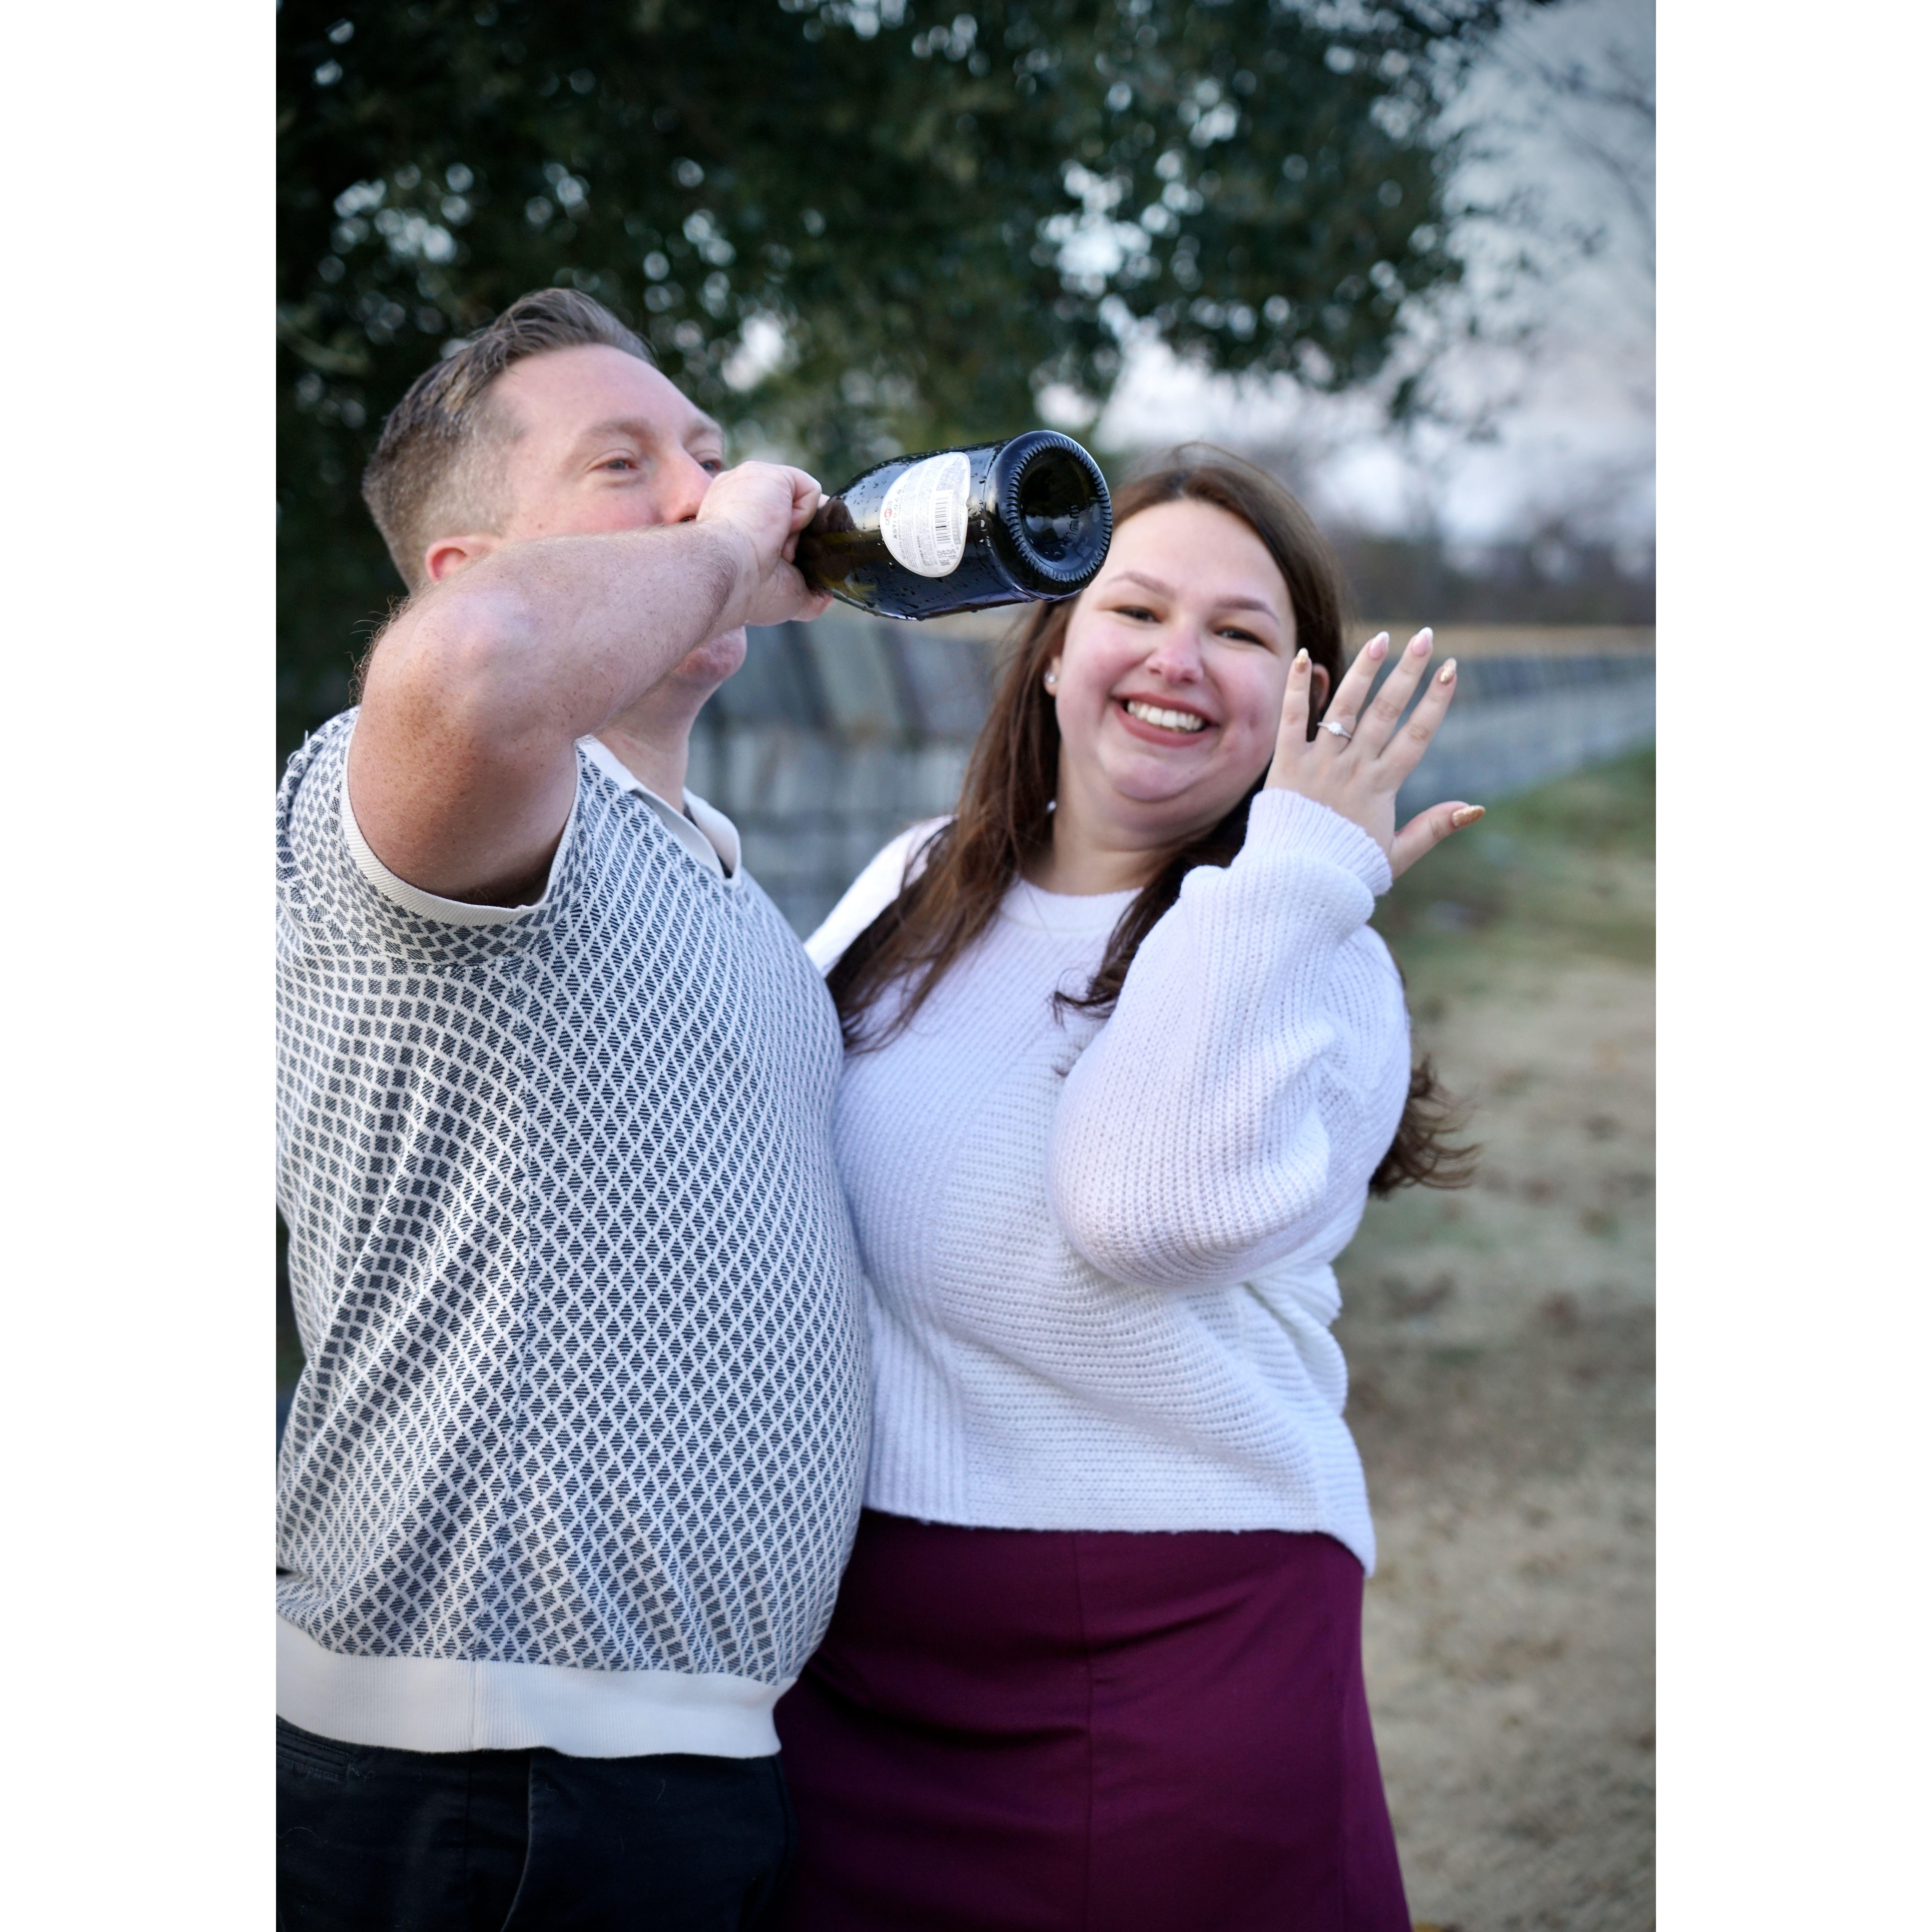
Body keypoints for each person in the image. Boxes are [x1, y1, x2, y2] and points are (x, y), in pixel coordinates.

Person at [771, 453, 1483, 1931]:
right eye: (1134, 605)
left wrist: (1295, 871)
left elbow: (1136, 1210)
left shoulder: (1313, 955)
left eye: (1237, 632)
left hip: (1172, 1651)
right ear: (1051, 652)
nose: (1176, 656)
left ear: (1302, 700)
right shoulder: (913, 887)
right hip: (861, 1657)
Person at [274, 289, 870, 1930]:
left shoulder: (732, 894)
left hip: (694, 1768)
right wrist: (736, 535)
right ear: (469, 566)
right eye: (626, 467)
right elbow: (479, 675)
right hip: (481, 1776)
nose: (706, 493)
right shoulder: (403, 792)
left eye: (710, 453)